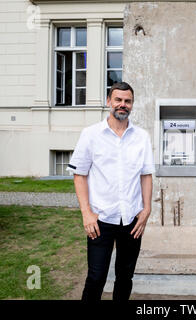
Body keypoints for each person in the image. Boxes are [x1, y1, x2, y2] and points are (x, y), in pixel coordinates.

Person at [67, 82, 154, 301]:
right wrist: (86, 213)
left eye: (127, 101)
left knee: (125, 278)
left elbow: (145, 175)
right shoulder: (90, 134)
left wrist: (147, 210)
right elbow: (80, 175)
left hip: (132, 220)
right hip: (101, 220)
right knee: (96, 278)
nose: (123, 105)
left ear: (132, 104)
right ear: (109, 102)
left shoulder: (141, 136)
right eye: (118, 100)